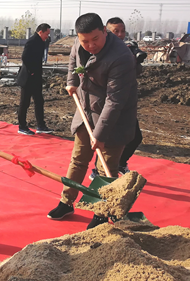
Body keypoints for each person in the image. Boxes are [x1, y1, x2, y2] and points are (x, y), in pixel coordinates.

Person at [47, 13, 138, 230]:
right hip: (86, 111)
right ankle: (66, 201)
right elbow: (72, 60)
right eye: (85, 41)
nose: (90, 45)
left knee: (106, 167)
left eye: (95, 39)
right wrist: (71, 82)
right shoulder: (80, 43)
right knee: (78, 160)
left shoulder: (121, 57)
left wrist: (99, 134)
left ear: (104, 31)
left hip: (113, 120)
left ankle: (100, 212)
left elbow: (114, 101)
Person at [89, 17, 144, 180]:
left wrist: (133, 60)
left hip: (125, 103)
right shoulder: (105, 51)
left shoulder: (125, 51)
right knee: (105, 136)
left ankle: (119, 162)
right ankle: (97, 170)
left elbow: (136, 73)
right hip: (108, 101)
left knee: (134, 136)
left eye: (122, 31)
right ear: (106, 32)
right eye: (115, 31)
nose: (120, 35)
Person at [15, 23, 53, 135]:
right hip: (28, 77)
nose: (48, 36)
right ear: (40, 32)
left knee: (39, 101)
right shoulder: (32, 41)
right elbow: (25, 57)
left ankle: (41, 125)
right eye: (47, 34)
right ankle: (22, 126)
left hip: (36, 77)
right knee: (25, 102)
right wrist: (31, 71)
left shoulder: (41, 42)